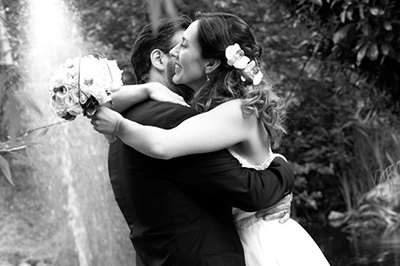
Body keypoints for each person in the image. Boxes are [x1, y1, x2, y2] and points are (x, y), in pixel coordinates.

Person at [91, 12, 331, 266]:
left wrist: (118, 125)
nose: (175, 52)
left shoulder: (235, 111)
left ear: (210, 64)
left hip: (263, 241)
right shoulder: (214, 111)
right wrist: (148, 89)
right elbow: (100, 101)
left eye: (184, 45)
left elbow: (163, 144)